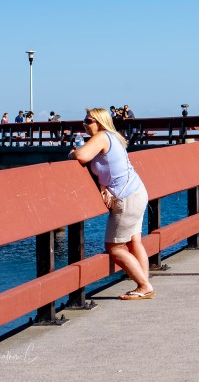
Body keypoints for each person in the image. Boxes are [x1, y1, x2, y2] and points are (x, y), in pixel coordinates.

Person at [69, 108, 154, 300]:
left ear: (99, 122)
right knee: (134, 241)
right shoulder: (113, 137)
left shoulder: (100, 137)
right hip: (137, 191)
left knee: (114, 247)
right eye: (84, 120)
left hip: (127, 199)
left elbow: (82, 156)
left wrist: (72, 153)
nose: (84, 123)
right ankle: (144, 282)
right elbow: (108, 166)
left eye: (88, 120)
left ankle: (143, 285)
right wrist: (102, 184)